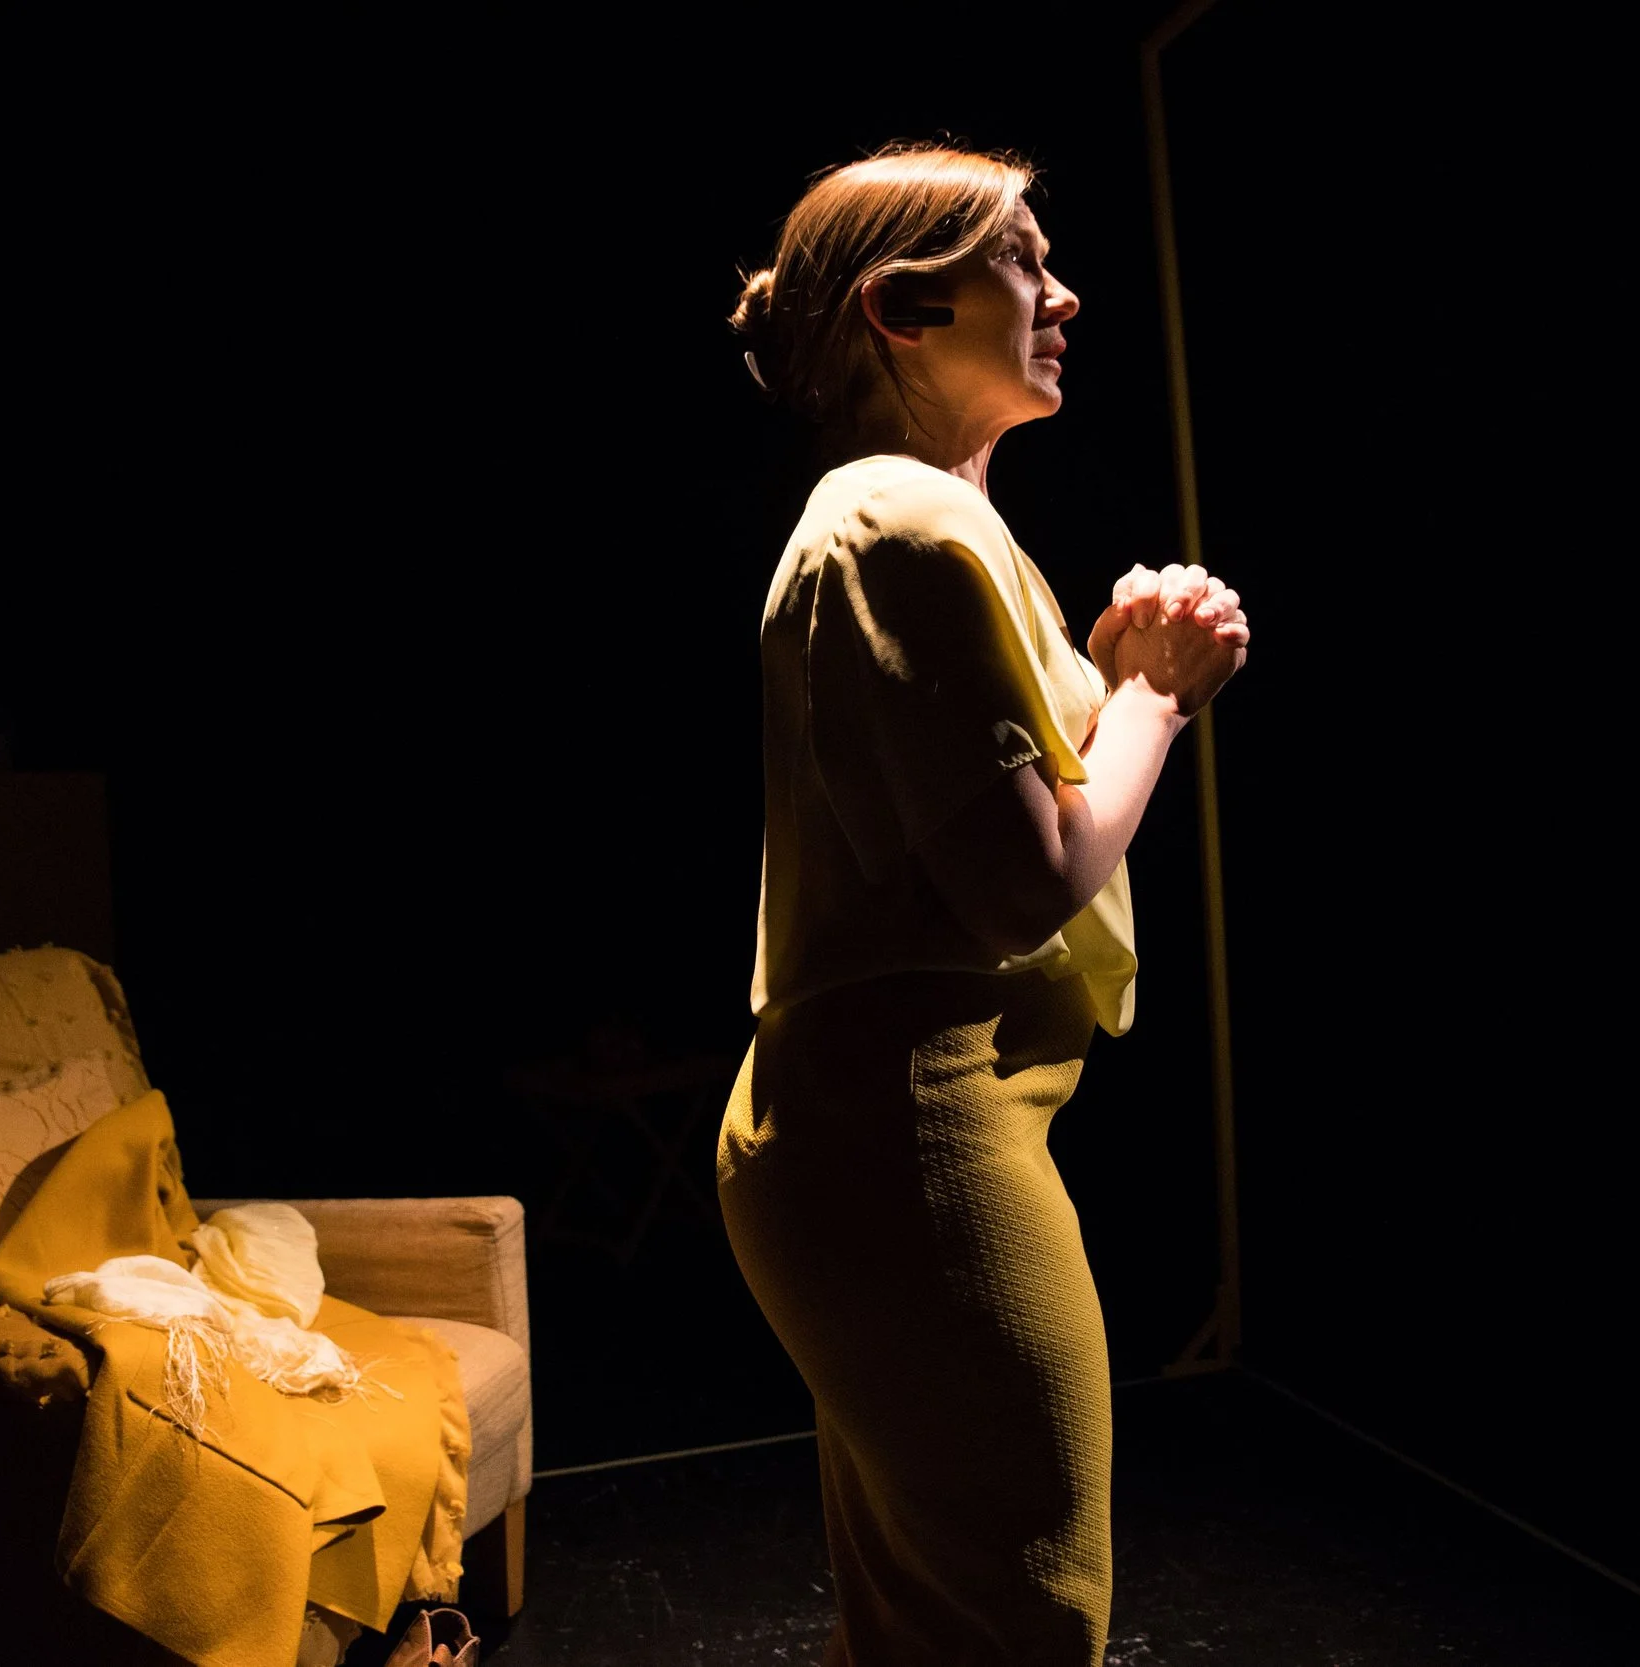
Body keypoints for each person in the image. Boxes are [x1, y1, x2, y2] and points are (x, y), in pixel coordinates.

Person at [714, 142, 1252, 1665]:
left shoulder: (920, 527)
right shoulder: (898, 527)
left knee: (930, 1620)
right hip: (909, 1131)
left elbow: (988, 819)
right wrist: (1155, 694)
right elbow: (1029, 882)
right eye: (1022, 260)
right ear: (901, 309)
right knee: (1019, 1615)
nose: (1062, 293)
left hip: (878, 1126)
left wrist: (1108, 670)